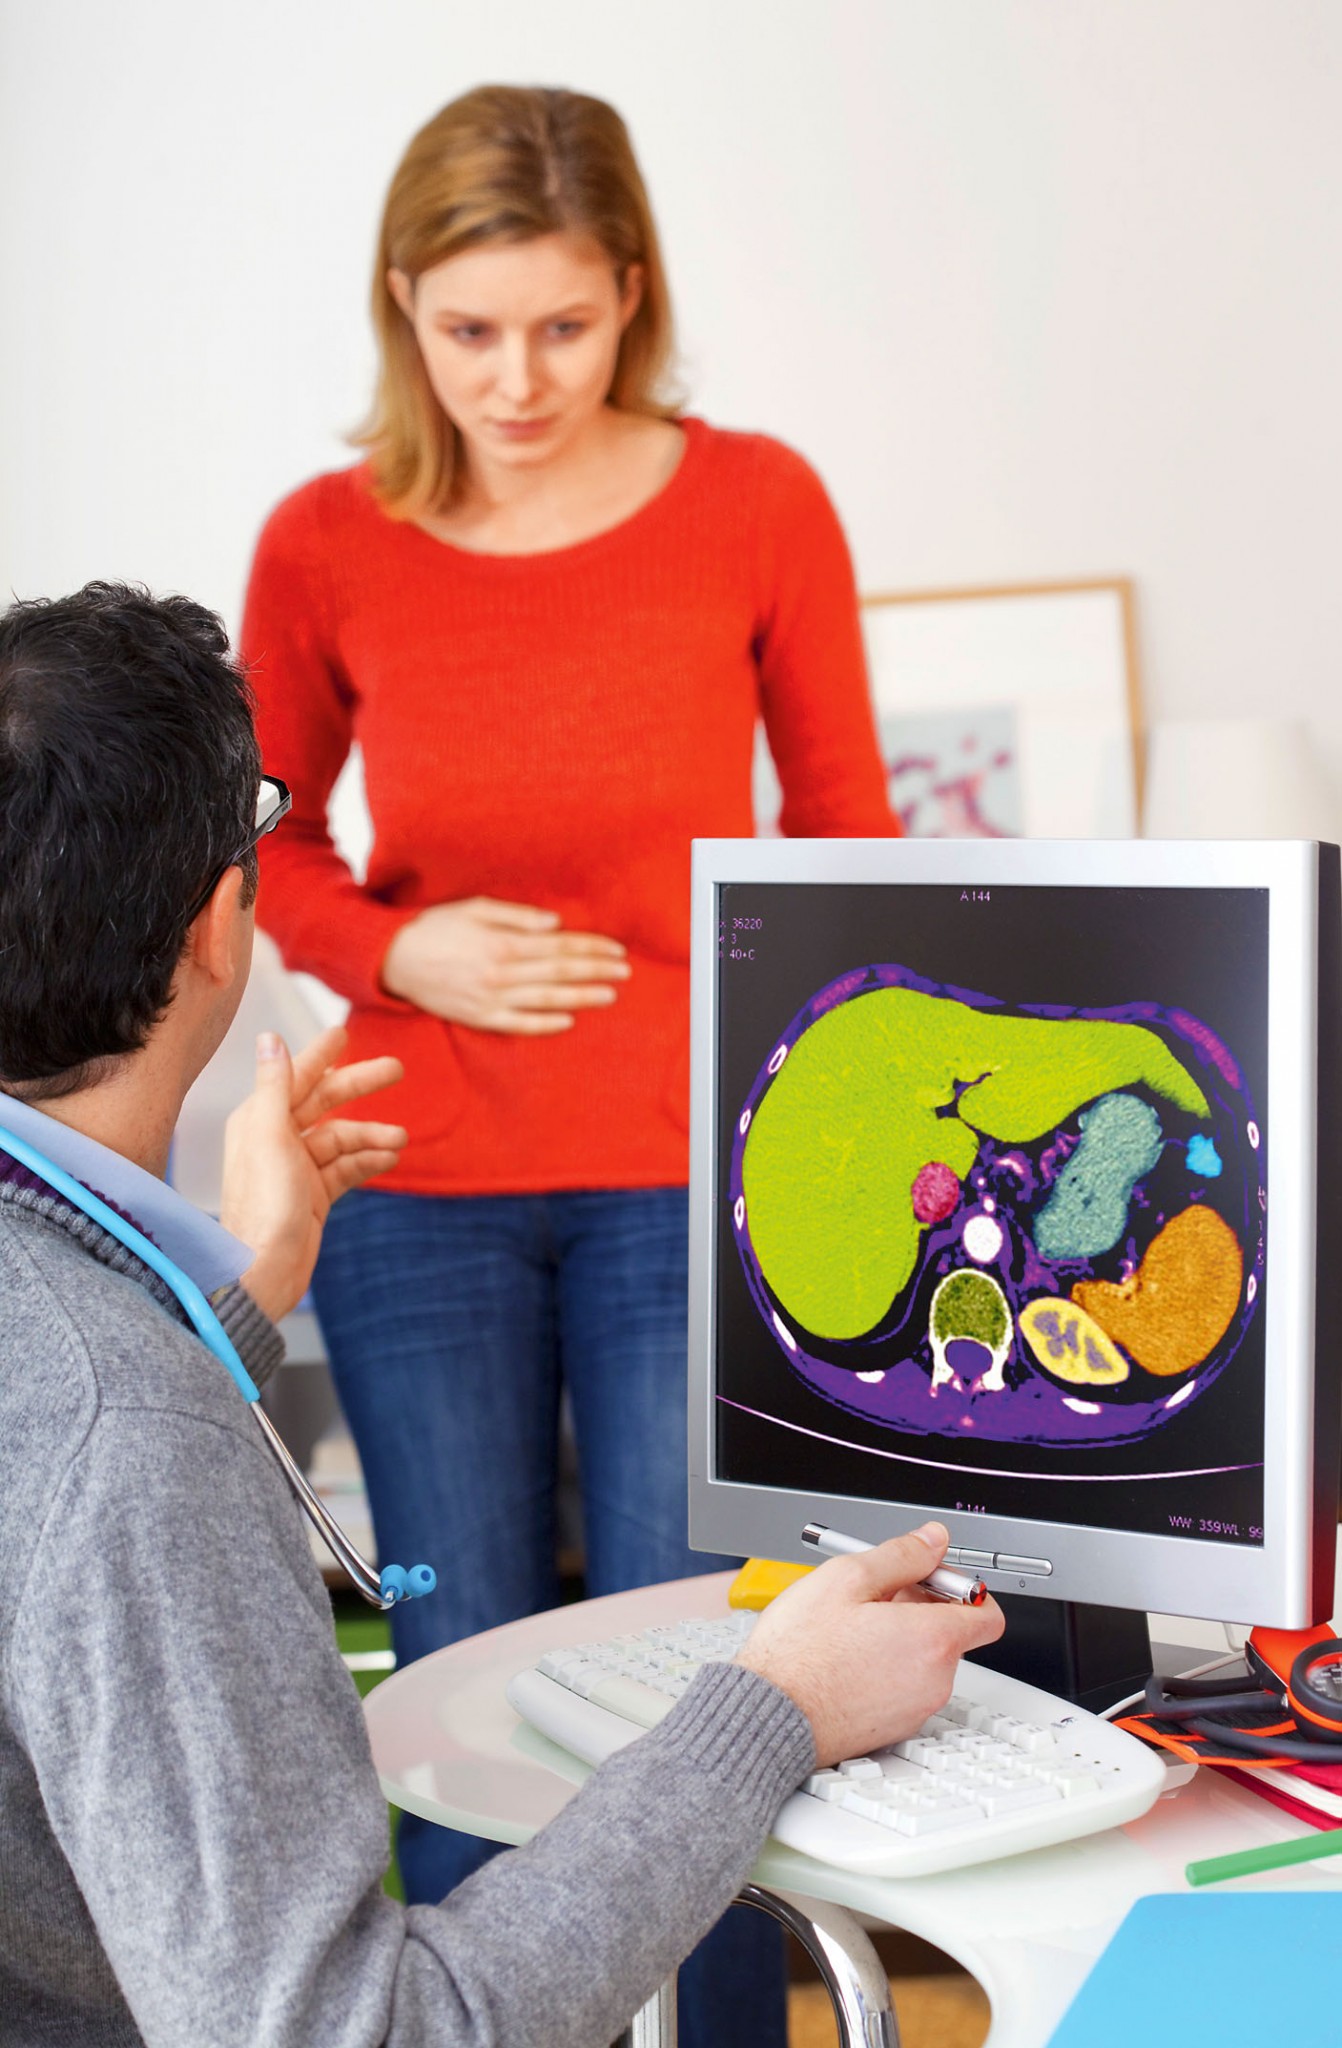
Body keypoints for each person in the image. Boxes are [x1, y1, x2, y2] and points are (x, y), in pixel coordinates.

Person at [0, 577, 1001, 2045]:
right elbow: (356, 2028)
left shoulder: (96, 1383)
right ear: (220, 922)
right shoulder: (122, 1431)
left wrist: (229, 1308)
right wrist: (773, 1713)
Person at [241, 82, 901, 2041]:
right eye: (469, 330)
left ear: (631, 295)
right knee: (460, 1672)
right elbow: (264, 841)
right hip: (414, 1186)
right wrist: (393, 941)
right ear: (401, 305)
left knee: (714, 1680)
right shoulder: (324, 541)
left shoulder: (754, 503)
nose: (514, 378)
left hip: (689, 1175)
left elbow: (846, 848)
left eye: (561, 326)